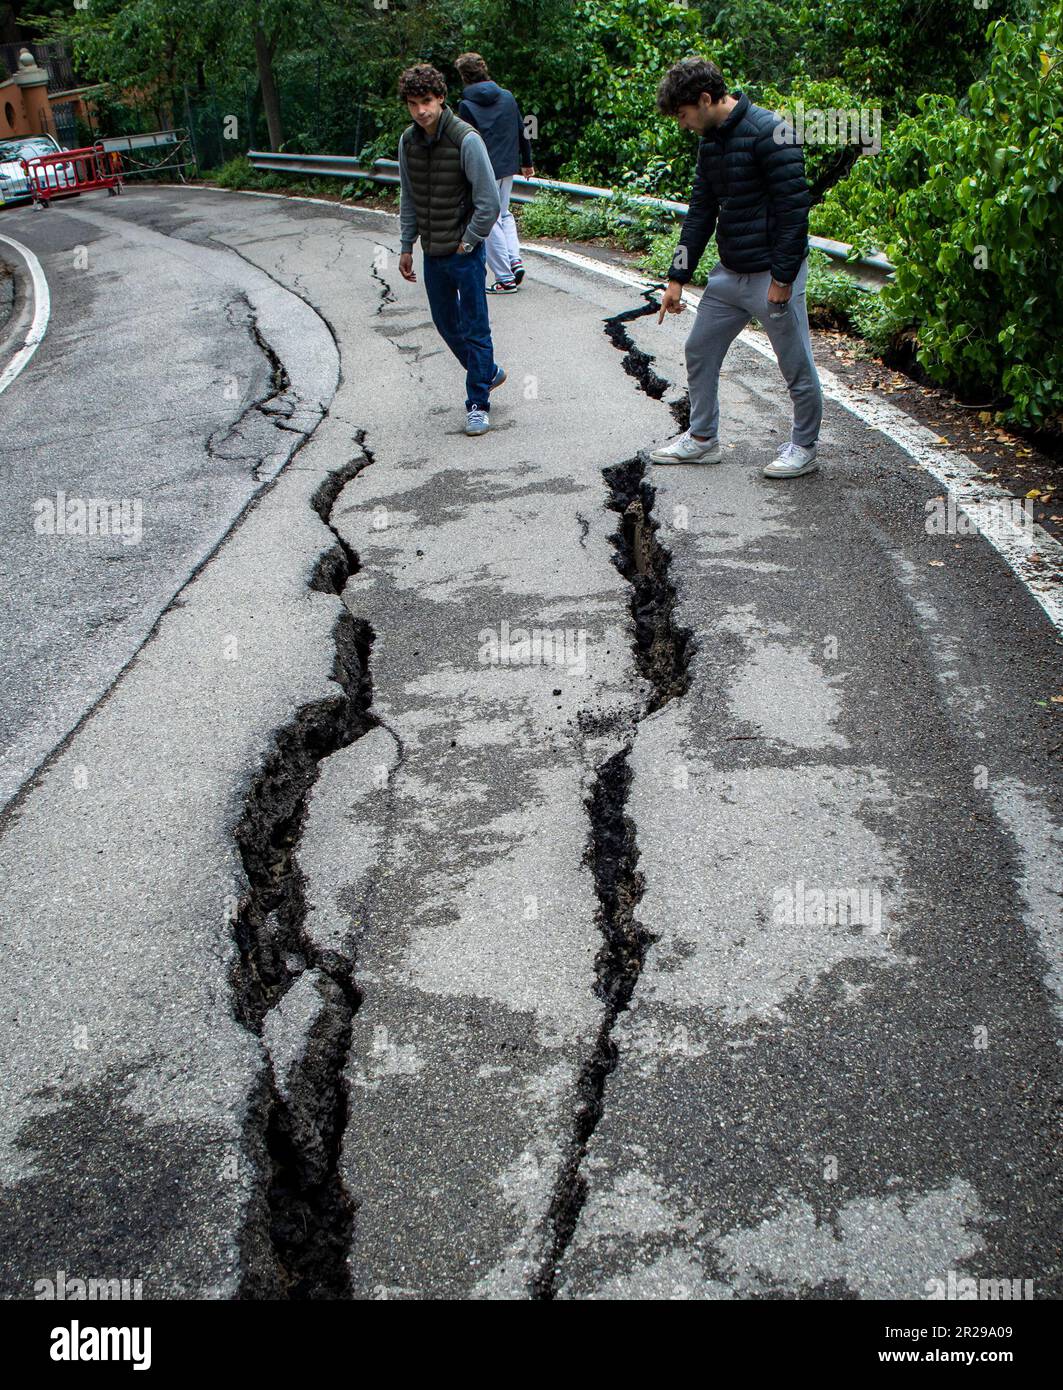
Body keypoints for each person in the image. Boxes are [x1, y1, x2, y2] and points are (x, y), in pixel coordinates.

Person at [650, 58, 823, 478]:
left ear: (705, 100)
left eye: (684, 114)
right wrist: (676, 277)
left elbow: (794, 212)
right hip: (729, 274)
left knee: (795, 364)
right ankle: (703, 439)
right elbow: (700, 213)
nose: (683, 124)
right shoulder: (711, 142)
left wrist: (783, 278)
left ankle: (803, 446)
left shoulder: (772, 132)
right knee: (699, 349)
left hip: (772, 276)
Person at [396, 63, 506, 436]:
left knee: (475, 326)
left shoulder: (466, 139)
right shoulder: (407, 142)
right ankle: (487, 372)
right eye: (413, 104)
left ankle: (478, 402)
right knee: (445, 323)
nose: (421, 110)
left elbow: (489, 202)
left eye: (426, 101)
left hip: (464, 250)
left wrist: (469, 240)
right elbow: (408, 196)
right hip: (432, 250)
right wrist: (406, 244)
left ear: (441, 98)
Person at [455, 52, 535, 294]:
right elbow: (524, 130)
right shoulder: (508, 97)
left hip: (483, 170)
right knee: (504, 214)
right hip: (509, 166)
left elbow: (465, 141)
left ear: (463, 76)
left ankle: (505, 278)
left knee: (488, 221)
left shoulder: (466, 105)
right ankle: (514, 259)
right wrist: (527, 162)